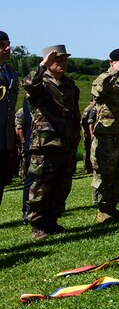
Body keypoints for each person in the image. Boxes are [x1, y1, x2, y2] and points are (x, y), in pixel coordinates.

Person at [22, 45, 80, 240]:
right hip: (45, 144)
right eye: (57, 60)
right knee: (41, 185)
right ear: (48, 63)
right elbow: (28, 83)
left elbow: (74, 113)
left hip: (66, 142)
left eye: (64, 59)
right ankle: (37, 225)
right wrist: (41, 66)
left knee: (62, 184)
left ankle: (52, 221)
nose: (62, 63)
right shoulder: (42, 83)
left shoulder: (70, 84)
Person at [89, 49, 119, 223]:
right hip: (108, 135)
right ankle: (102, 210)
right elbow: (98, 92)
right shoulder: (104, 78)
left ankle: (113, 206)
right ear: (112, 62)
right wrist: (115, 72)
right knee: (104, 173)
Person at [0, 31, 18, 205]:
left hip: (5, 138)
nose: (8, 48)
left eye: (8, 44)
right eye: (2, 45)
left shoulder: (11, 72)